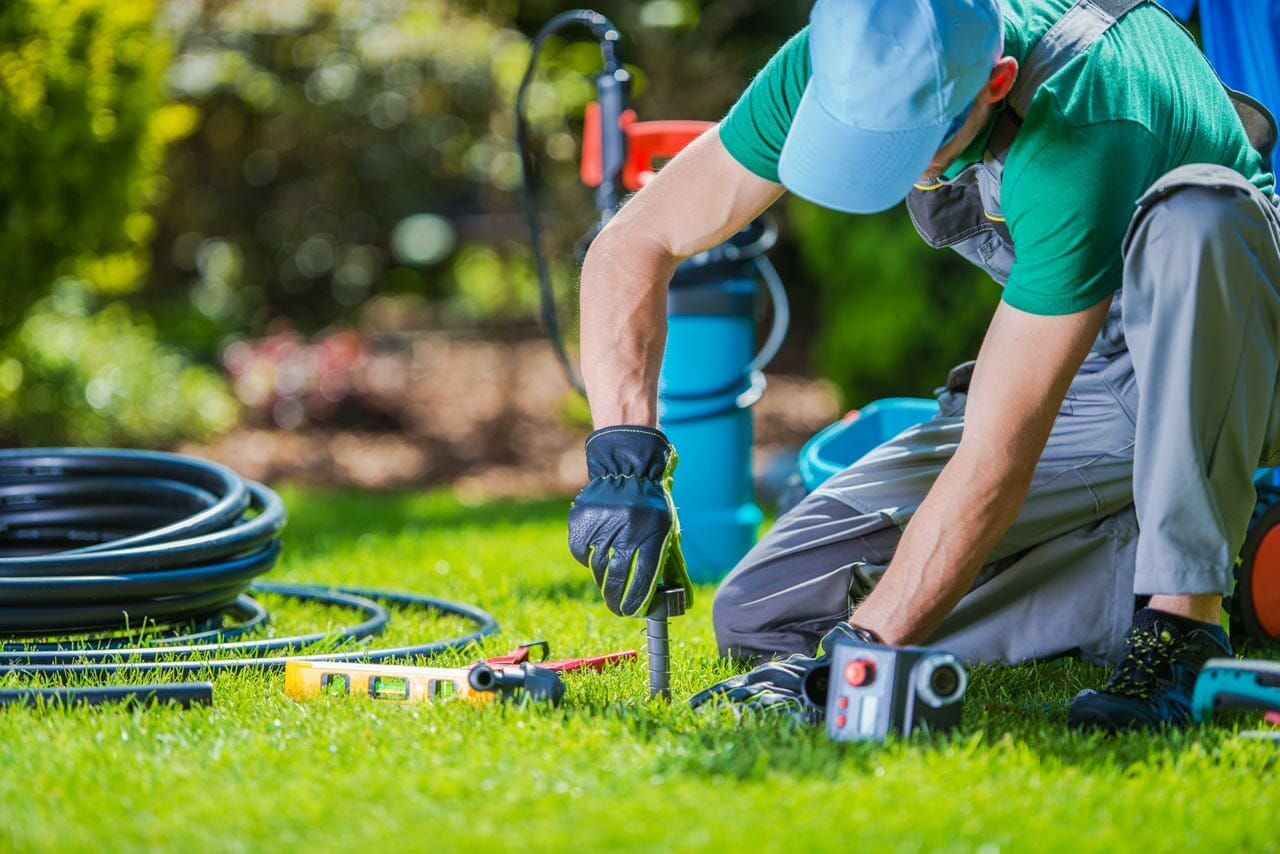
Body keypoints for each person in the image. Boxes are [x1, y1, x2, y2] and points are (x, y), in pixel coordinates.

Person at [566, 0, 1280, 732]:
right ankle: (1201, 542)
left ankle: (1181, 622)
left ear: (996, 83)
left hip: (1237, 351)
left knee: (1200, 213)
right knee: (765, 608)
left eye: (915, 145)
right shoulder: (854, 48)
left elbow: (996, 457)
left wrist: (865, 651)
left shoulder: (1082, 118)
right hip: (1090, 364)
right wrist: (624, 460)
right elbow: (636, 241)